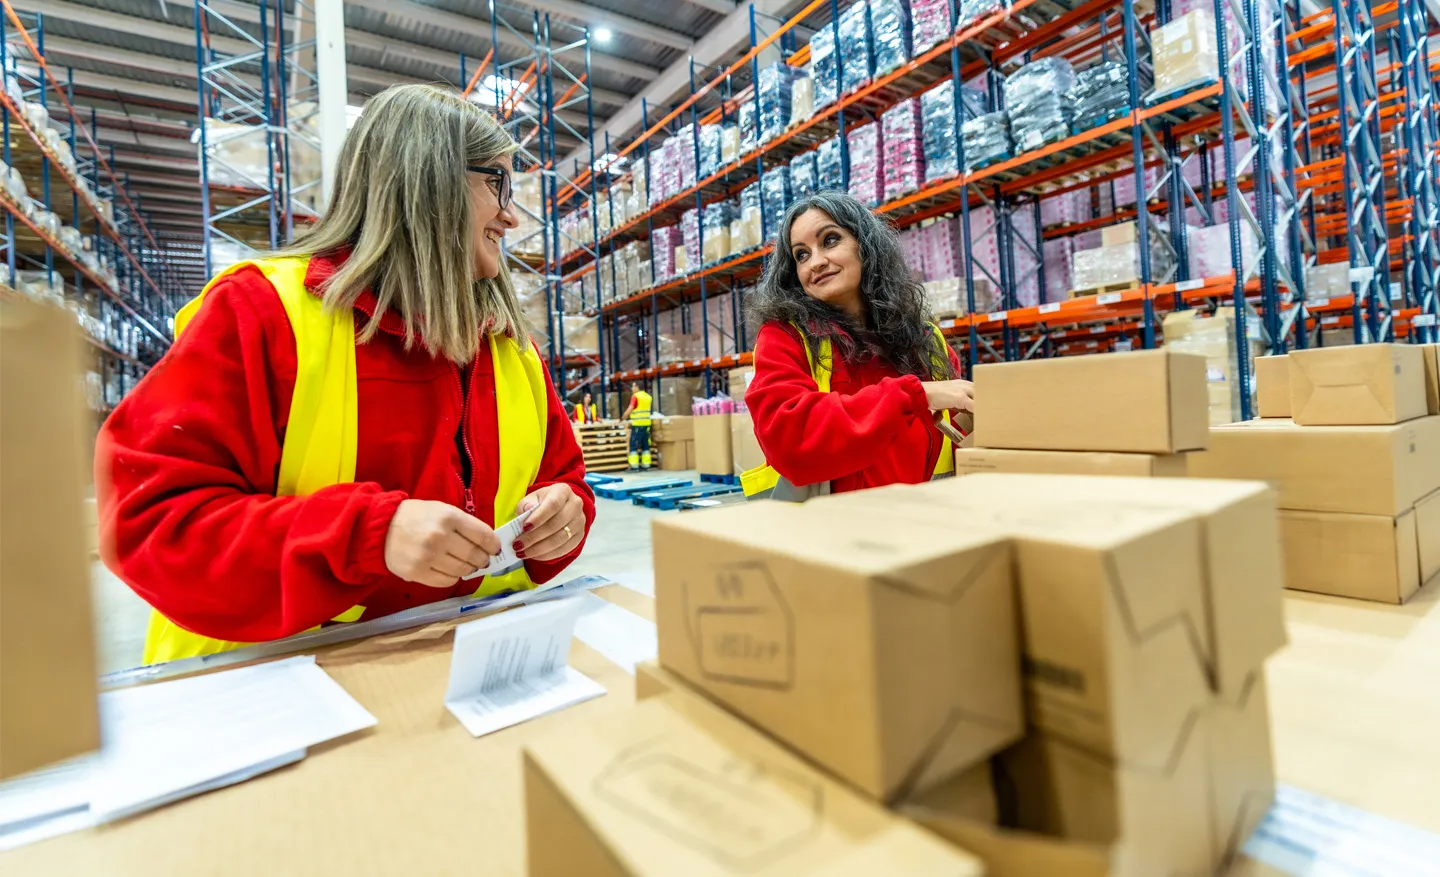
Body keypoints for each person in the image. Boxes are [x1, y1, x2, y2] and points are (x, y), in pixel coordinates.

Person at [96, 84, 594, 665]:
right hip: (276, 690)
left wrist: (565, 518)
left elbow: (564, 480)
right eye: (496, 184)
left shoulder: (509, 348)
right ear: (427, 180)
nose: (511, 215)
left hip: (460, 673)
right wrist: (365, 536)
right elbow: (150, 523)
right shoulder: (262, 314)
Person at [743, 191, 974, 499]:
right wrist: (914, 394)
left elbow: (953, 443)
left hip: (919, 528)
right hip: (823, 536)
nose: (816, 262)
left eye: (829, 240)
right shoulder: (784, 337)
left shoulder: (927, 341)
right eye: (801, 255)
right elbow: (789, 438)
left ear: (865, 246)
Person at [621, 384, 653, 470]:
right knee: (645, 445)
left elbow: (630, 409)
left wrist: (622, 418)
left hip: (637, 424)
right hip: (647, 424)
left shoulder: (636, 396)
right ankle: (646, 465)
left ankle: (634, 466)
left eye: (633, 386)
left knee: (634, 445)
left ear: (637, 387)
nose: (632, 388)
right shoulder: (648, 397)